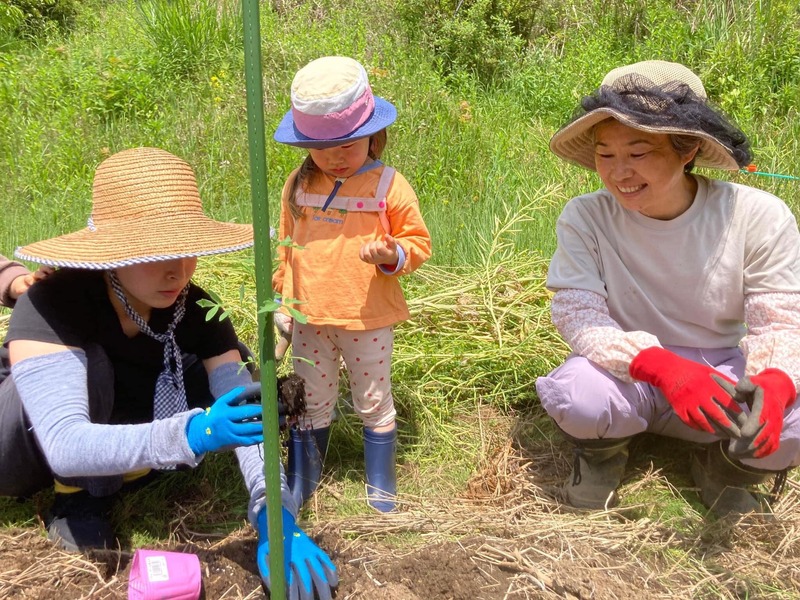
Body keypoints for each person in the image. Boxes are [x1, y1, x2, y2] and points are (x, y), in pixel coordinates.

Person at [0, 147, 337, 599]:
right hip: (22, 446)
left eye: (187, 250)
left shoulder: (196, 308)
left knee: (228, 364)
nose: (177, 270)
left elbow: (245, 413)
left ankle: (125, 475)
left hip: (118, 420)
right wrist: (194, 433)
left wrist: (274, 515)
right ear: (113, 253)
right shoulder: (53, 303)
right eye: (155, 253)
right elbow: (63, 442)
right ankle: (79, 499)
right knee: (94, 366)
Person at [535, 60, 800, 518]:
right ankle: (603, 456)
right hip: (631, 374)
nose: (620, 172)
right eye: (605, 154)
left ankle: (724, 467)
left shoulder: (757, 216)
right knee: (579, 395)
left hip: (721, 374)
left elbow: (779, 319)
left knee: (792, 420)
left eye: (638, 153)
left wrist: (772, 385)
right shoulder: (587, 217)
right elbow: (578, 312)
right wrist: (661, 367)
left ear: (687, 149)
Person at [272, 56, 432, 512]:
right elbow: (287, 246)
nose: (335, 157)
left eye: (347, 145)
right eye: (322, 148)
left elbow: (417, 243)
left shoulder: (388, 186)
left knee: (373, 399)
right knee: (311, 401)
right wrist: (283, 300)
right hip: (309, 319)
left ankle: (380, 484)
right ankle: (303, 481)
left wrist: (391, 256)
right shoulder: (297, 186)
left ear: (372, 135)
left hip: (367, 318)